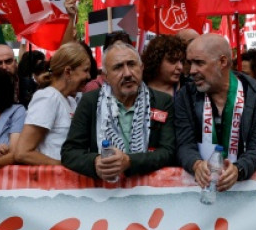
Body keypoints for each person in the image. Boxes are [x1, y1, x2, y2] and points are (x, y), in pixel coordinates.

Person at [61, 42, 176, 180]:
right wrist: (96, 162)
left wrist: (129, 162)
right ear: (105, 77)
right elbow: (70, 152)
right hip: (104, 195)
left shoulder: (162, 102)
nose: (127, 73)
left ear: (142, 68)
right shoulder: (90, 101)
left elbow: (169, 152)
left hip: (149, 193)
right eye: (118, 67)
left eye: (132, 64)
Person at [173, 34, 256, 191]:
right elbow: (184, 144)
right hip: (199, 191)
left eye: (199, 63)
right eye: (190, 63)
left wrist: (238, 169)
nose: (191, 71)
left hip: (245, 195)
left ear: (222, 62)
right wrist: (196, 164)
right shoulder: (185, 96)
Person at [14, 42, 91, 165]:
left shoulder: (70, 100)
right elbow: (23, 153)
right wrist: (63, 168)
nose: (89, 76)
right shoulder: (48, 98)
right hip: (52, 181)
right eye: (85, 70)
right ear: (68, 72)